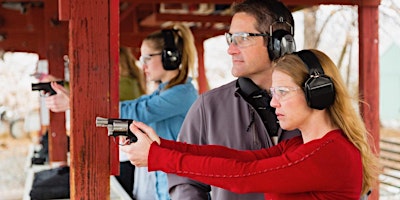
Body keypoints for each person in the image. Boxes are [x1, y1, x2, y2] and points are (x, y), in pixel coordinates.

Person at [121, 49, 380, 200]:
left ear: (317, 93)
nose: (274, 103)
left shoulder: (328, 154)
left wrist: (158, 157)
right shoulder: (302, 145)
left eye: (283, 92)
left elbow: (242, 177)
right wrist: (163, 146)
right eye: (273, 93)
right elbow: (241, 159)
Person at [167, 0, 300, 199]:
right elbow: (185, 180)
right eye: (231, 38)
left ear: (278, 43)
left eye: (243, 38)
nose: (231, 49)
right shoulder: (207, 108)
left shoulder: (315, 104)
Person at [42, 46, 147, 198]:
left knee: (123, 193)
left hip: (124, 154)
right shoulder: (129, 82)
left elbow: (98, 101)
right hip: (123, 152)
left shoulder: (125, 84)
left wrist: (65, 90)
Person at [119, 23, 198, 200]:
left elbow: (136, 111)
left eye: (147, 58)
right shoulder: (163, 92)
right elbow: (136, 106)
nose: (143, 65)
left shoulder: (181, 93)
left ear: (169, 57)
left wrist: (76, 103)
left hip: (177, 187)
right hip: (165, 185)